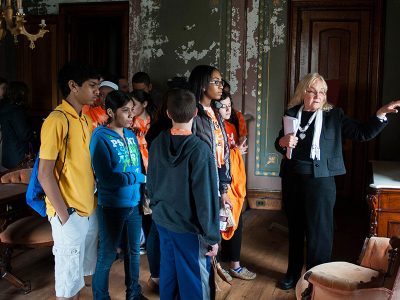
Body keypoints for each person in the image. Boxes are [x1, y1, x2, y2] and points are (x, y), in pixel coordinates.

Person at [274, 72, 400, 290]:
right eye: (313, 91)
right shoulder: (292, 113)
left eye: (322, 92)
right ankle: (292, 274)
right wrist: (282, 141)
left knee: (320, 232)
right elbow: (280, 143)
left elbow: (362, 133)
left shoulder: (334, 115)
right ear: (303, 92)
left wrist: (381, 114)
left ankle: (317, 280)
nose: (318, 96)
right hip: (292, 179)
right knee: (295, 228)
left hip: (321, 182)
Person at [147, 88, 220, 299]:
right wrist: (212, 236)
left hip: (162, 220)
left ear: (168, 114)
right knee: (194, 279)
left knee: (168, 274)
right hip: (189, 227)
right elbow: (205, 198)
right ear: (196, 113)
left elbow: (150, 182)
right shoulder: (200, 149)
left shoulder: (158, 142)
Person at [38, 62, 100, 299]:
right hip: (69, 211)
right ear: (73, 86)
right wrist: (65, 216)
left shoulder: (84, 118)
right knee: (68, 281)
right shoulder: (57, 119)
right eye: (92, 86)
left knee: (79, 276)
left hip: (87, 207)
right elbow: (45, 174)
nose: (97, 91)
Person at [90, 90, 147, 300]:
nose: (131, 115)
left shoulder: (131, 135)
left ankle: (134, 293)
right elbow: (107, 178)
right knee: (107, 255)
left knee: (133, 252)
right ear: (111, 112)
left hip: (133, 204)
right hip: (111, 207)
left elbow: (136, 167)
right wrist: (138, 178)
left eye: (131, 110)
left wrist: (137, 179)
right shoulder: (100, 137)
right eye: (125, 111)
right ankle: (101, 297)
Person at [189, 65, 232, 279]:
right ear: (202, 84)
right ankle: (201, 278)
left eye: (221, 81)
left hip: (216, 179)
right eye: (215, 81)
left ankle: (211, 274)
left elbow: (222, 153)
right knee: (202, 231)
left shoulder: (215, 112)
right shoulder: (194, 113)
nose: (221, 85)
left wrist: (223, 189)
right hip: (201, 182)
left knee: (215, 228)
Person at [215, 92, 256, 281]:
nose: (227, 109)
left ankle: (234, 264)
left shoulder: (231, 126)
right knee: (218, 223)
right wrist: (235, 152)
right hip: (218, 183)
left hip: (234, 182)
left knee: (236, 221)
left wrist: (236, 151)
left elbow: (233, 154)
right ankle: (217, 266)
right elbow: (217, 157)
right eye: (223, 105)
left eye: (229, 105)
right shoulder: (211, 128)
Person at [0, 81, 34, 169]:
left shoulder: (5, 108)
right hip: (19, 158)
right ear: (21, 93)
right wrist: (34, 132)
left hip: (8, 156)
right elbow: (24, 135)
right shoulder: (17, 111)